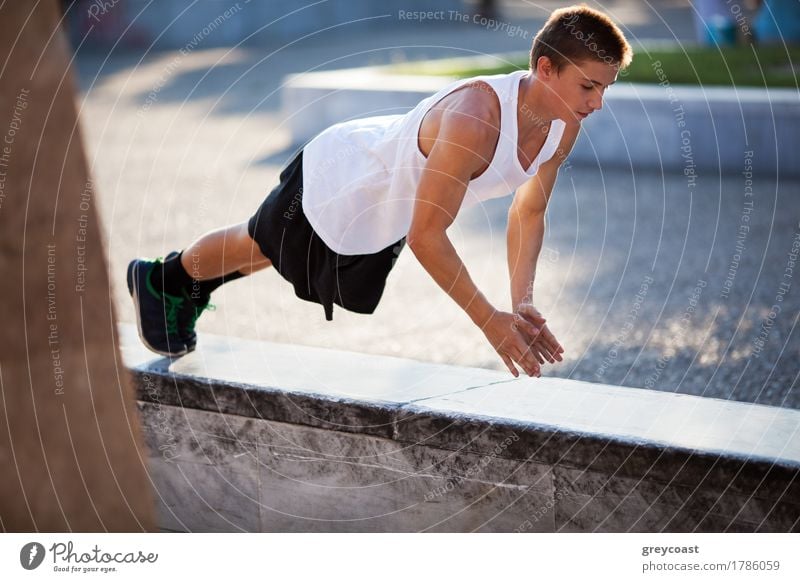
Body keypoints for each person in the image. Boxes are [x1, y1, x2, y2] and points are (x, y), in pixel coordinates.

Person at [127, 4, 632, 378]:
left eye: (605, 88)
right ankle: (162, 279)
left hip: (383, 207)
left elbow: (528, 212)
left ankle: (188, 287)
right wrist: (489, 321)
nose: (598, 102)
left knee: (275, 258)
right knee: (257, 243)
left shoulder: (563, 124)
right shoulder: (474, 120)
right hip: (344, 178)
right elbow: (427, 235)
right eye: (589, 86)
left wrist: (520, 303)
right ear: (546, 69)